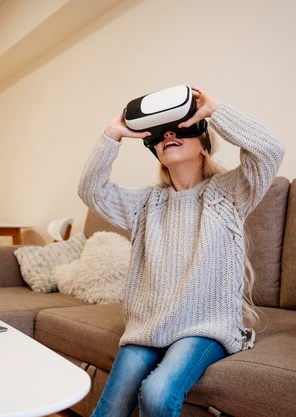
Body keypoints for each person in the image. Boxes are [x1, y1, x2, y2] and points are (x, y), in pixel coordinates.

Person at [78, 86, 285, 417]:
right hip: (149, 326)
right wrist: (113, 133)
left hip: (205, 327)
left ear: (204, 145)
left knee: (158, 394)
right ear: (156, 150)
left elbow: (270, 150)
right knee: (109, 410)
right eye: (161, 134)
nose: (169, 135)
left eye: (180, 129)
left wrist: (215, 111)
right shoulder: (146, 205)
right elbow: (91, 190)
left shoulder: (231, 193)